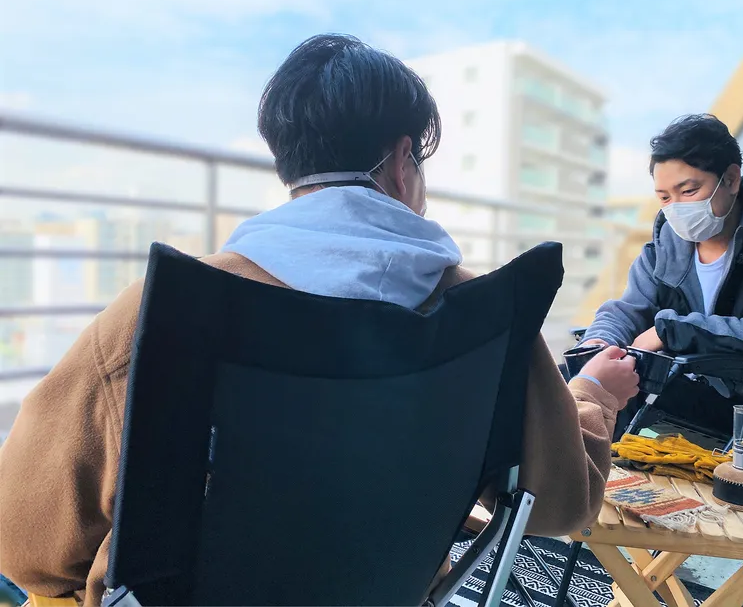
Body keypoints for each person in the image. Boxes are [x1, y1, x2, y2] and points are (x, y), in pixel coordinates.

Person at [0, 34, 639, 606]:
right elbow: (559, 506)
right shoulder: (481, 316)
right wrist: (593, 397)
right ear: (402, 161)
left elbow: (25, 546)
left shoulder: (165, 316)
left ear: (289, 165)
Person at [580, 113, 743, 452]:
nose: (676, 209)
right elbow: (629, 308)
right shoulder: (667, 242)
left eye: (689, 191)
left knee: (618, 394)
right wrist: (598, 343)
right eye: (664, 197)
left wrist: (671, 331)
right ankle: (559, 480)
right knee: (565, 378)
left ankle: (585, 479)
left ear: (730, 179)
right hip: (688, 387)